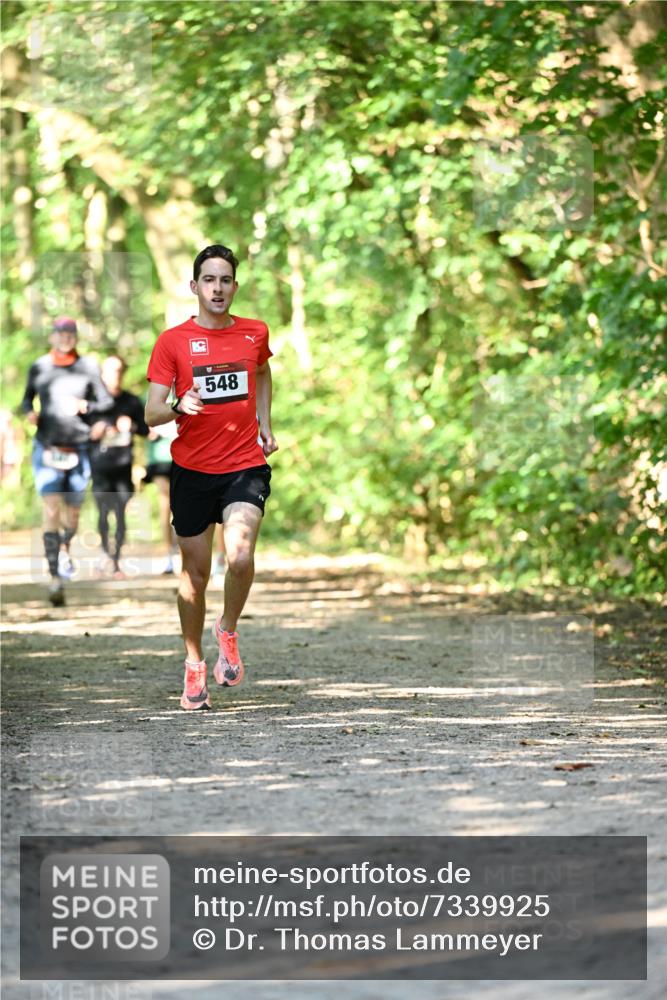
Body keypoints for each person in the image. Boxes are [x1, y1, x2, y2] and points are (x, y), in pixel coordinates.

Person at [145, 244, 278, 710]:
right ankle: (194, 662)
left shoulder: (254, 332)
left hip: (244, 463)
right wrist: (179, 405)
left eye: (225, 280)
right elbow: (152, 412)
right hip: (192, 470)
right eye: (209, 280)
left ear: (234, 287)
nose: (217, 288)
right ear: (194, 286)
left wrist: (264, 423)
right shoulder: (172, 342)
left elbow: (262, 371)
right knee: (195, 576)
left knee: (239, 555)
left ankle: (228, 630)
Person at [21, 316, 112, 606]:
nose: (65, 337)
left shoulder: (87, 367)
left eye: (70, 333)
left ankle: (64, 549)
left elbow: (106, 402)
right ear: (52, 337)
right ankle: (54, 578)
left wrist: (87, 406)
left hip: (79, 448)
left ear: (76, 337)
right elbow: (26, 400)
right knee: (51, 508)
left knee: (72, 513)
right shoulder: (40, 366)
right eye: (60, 333)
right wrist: (29, 412)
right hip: (48, 447)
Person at [88, 355, 149, 577]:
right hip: (100, 466)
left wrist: (132, 426)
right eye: (112, 370)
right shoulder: (93, 402)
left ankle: (116, 560)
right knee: (103, 512)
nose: (116, 375)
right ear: (103, 374)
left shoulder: (131, 401)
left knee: (121, 513)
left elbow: (146, 430)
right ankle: (105, 554)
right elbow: (78, 431)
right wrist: (94, 431)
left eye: (120, 370)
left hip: (123, 467)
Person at [143, 420, 179, 574]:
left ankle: (184, 553)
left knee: (183, 508)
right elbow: (142, 426)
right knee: (165, 507)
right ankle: (168, 556)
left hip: (184, 457)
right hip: (159, 459)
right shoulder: (146, 404)